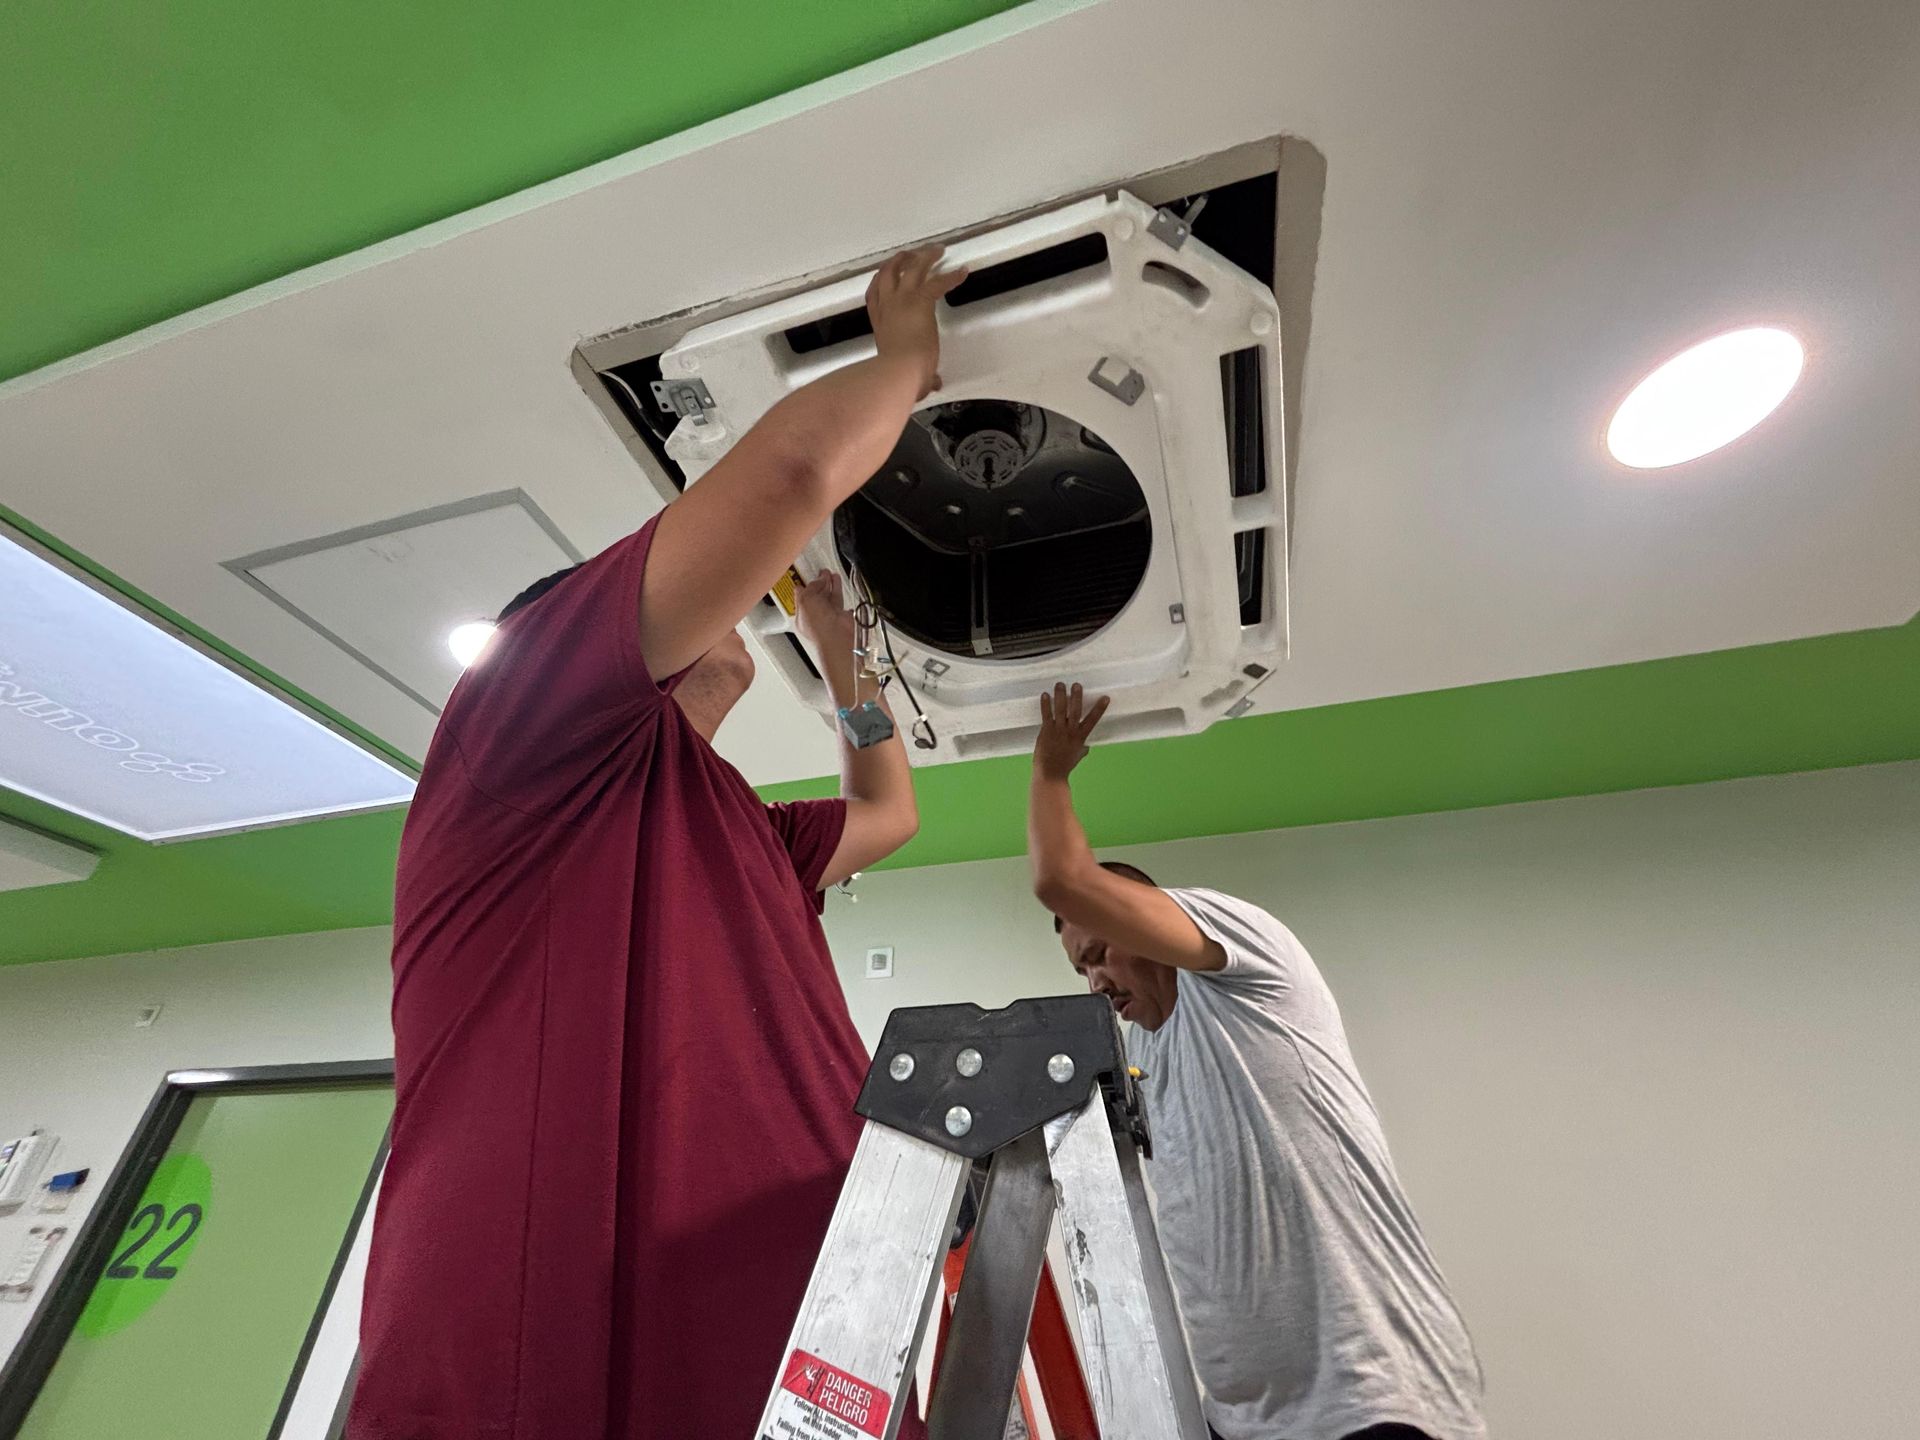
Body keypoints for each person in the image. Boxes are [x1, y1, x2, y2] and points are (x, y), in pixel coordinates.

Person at [349, 248, 967, 1440]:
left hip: (798, 1346)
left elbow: (890, 813)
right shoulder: (517, 729)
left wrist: (847, 667)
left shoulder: (738, 821)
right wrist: (904, 359)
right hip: (549, 1361)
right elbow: (790, 469)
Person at [1027, 683, 1487, 1440]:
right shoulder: (1141, 1055)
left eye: (1100, 951)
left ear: (1150, 919)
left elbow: (1062, 881)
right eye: (1081, 969)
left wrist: (1049, 769)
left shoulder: (1243, 962)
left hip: (1369, 1400)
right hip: (1241, 1420)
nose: (1095, 982)